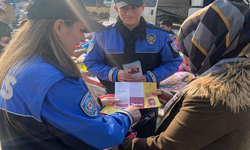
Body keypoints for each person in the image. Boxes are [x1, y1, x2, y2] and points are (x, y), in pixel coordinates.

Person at [0, 0, 142, 150]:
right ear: (59, 26)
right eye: (81, 30)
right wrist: (127, 116)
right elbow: (103, 135)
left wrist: (95, 104)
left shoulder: (20, 63)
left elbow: (49, 112)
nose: (84, 39)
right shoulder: (54, 79)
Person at [120, 0, 250, 149]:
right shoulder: (239, 80)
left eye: (189, 48)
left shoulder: (212, 96)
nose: (187, 58)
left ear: (206, 44)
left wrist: (116, 144)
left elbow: (166, 146)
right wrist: (176, 101)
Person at [84, 0, 182, 138]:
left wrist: (150, 77)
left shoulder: (160, 35)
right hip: (114, 99)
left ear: (142, 7)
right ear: (117, 9)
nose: (129, 13)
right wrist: (114, 74)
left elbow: (173, 62)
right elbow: (91, 62)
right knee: (117, 139)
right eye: (124, 8)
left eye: (134, 7)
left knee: (145, 139)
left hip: (148, 100)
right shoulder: (103, 34)